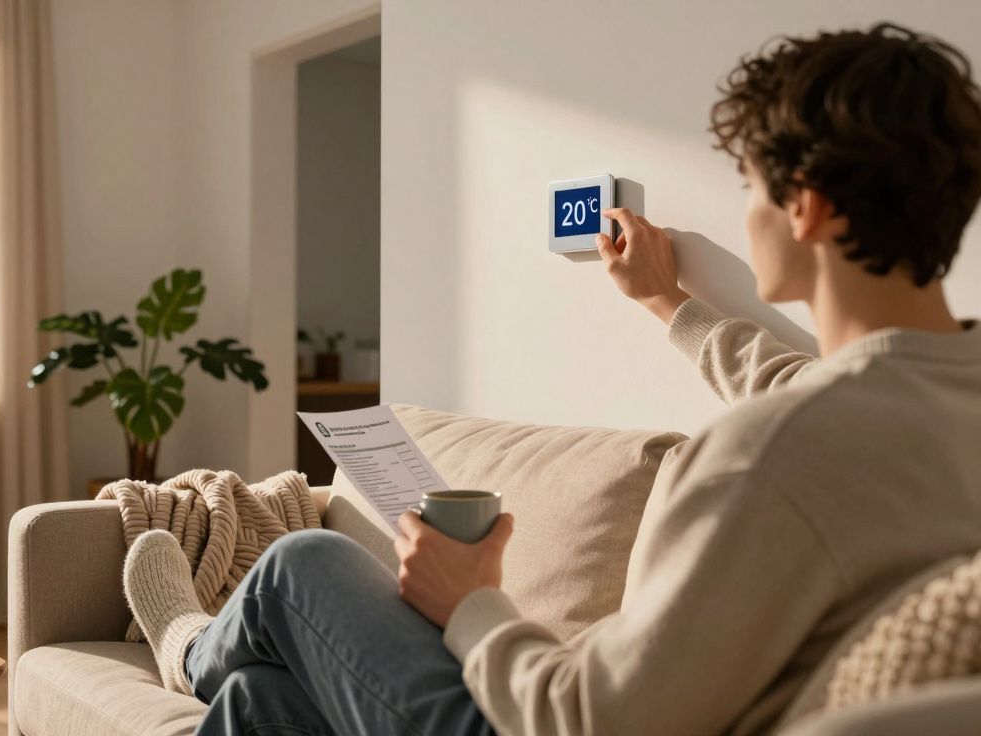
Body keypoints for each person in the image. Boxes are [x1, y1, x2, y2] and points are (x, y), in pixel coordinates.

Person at [122, 22, 981, 735]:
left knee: (301, 563)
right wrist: (668, 303)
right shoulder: (935, 401)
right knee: (260, 702)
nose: (747, 211)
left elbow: (586, 717)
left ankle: (188, 644)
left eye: (750, 186)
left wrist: (472, 602)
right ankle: (212, 666)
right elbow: (809, 386)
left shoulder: (768, 458)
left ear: (809, 206)